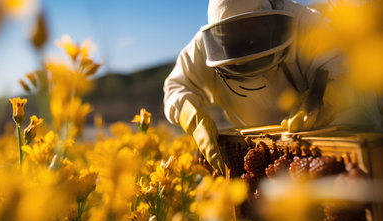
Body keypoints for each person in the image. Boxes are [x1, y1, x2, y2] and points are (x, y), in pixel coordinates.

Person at [163, 0, 382, 176]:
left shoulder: (307, 22)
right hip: (263, 158)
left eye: (251, 30)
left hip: (338, 145)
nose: (245, 43)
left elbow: (339, 66)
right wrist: (192, 117)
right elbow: (176, 87)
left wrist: (323, 97)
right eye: (233, 36)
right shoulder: (202, 46)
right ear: (217, 34)